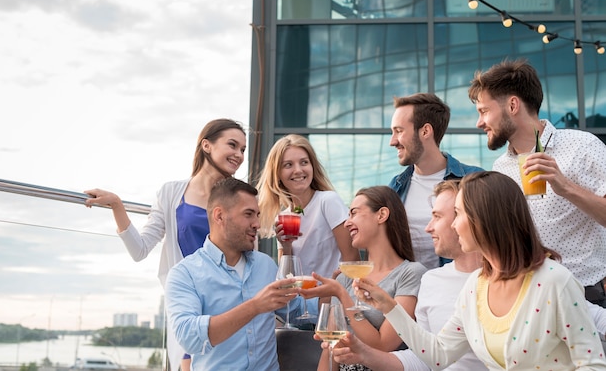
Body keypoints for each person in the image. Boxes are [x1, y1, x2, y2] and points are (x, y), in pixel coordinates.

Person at [356, 171, 606, 370]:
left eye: (458, 214)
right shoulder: (476, 286)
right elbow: (439, 354)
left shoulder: (554, 281)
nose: (453, 224)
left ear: (483, 219)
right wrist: (389, 307)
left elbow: (593, 364)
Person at [84, 118, 246, 371]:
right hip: (188, 307)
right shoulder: (171, 193)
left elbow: (249, 256)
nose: (239, 155)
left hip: (228, 307)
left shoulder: (239, 197)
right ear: (206, 145)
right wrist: (117, 205)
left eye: (243, 150)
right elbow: (139, 250)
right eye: (233, 145)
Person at [468, 59, 606, 306]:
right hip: (527, 299)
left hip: (585, 295)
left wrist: (566, 188)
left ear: (512, 105)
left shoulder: (583, 146)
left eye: (484, 111)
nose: (479, 123)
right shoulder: (500, 168)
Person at [165, 177, 302, 371]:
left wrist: (337, 293)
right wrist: (255, 306)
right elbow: (189, 337)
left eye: (257, 215)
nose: (257, 224)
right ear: (219, 216)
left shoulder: (266, 265)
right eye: (248, 214)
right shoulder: (184, 274)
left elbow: (295, 310)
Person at [303, 185, 427, 371]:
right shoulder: (344, 279)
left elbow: (383, 345)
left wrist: (342, 295)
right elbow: (330, 352)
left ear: (381, 215)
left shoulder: (411, 274)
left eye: (354, 213)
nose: (346, 223)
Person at [389, 93, 482, 269]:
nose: (392, 141)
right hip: (405, 294)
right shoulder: (395, 188)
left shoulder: (473, 182)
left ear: (425, 131)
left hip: (460, 290)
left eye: (399, 131)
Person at [257, 134, 360, 280]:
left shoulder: (328, 201)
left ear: (312, 166)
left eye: (304, 162)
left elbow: (352, 260)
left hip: (330, 298)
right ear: (277, 173)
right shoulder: (283, 218)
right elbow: (287, 278)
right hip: (301, 300)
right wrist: (286, 247)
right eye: (288, 165)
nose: (298, 170)